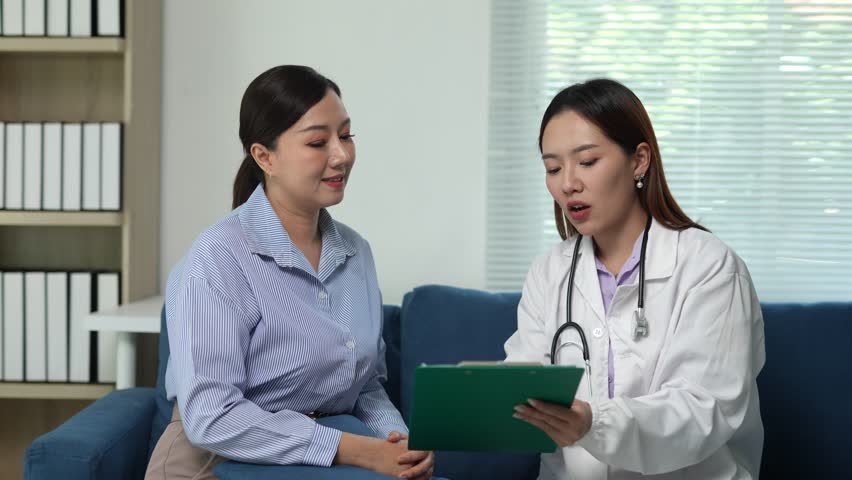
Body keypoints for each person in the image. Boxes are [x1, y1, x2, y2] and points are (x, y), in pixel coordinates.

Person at [146, 65, 435, 480]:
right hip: (215, 461)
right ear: (264, 157)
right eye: (318, 142)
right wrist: (354, 450)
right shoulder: (218, 256)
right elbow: (211, 416)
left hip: (322, 462)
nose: (341, 155)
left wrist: (399, 441)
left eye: (346, 135)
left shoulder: (356, 253)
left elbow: (366, 386)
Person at [504, 78, 765, 479]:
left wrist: (593, 422)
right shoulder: (549, 272)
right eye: (553, 168)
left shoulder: (707, 266)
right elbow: (521, 388)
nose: (567, 182)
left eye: (587, 162)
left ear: (639, 160)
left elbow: (705, 408)